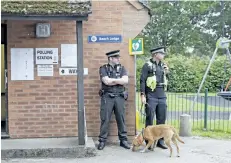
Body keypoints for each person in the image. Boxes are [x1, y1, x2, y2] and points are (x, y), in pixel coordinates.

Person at [97, 50, 130, 150]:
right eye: (116, 58)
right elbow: (106, 81)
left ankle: (123, 140)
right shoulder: (103, 68)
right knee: (105, 119)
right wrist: (118, 81)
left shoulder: (122, 68)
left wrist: (113, 81)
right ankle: (102, 141)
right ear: (110, 58)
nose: (118, 59)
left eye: (118, 57)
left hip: (119, 96)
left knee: (121, 119)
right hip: (107, 97)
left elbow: (125, 81)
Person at [140, 46, 169, 149]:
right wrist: (143, 95)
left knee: (162, 119)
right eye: (161, 53)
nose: (163, 55)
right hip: (151, 95)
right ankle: (149, 141)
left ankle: (160, 141)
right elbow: (142, 81)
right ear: (155, 54)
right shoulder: (147, 66)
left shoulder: (163, 66)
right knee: (149, 119)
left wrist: (167, 72)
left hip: (161, 95)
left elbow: (167, 80)